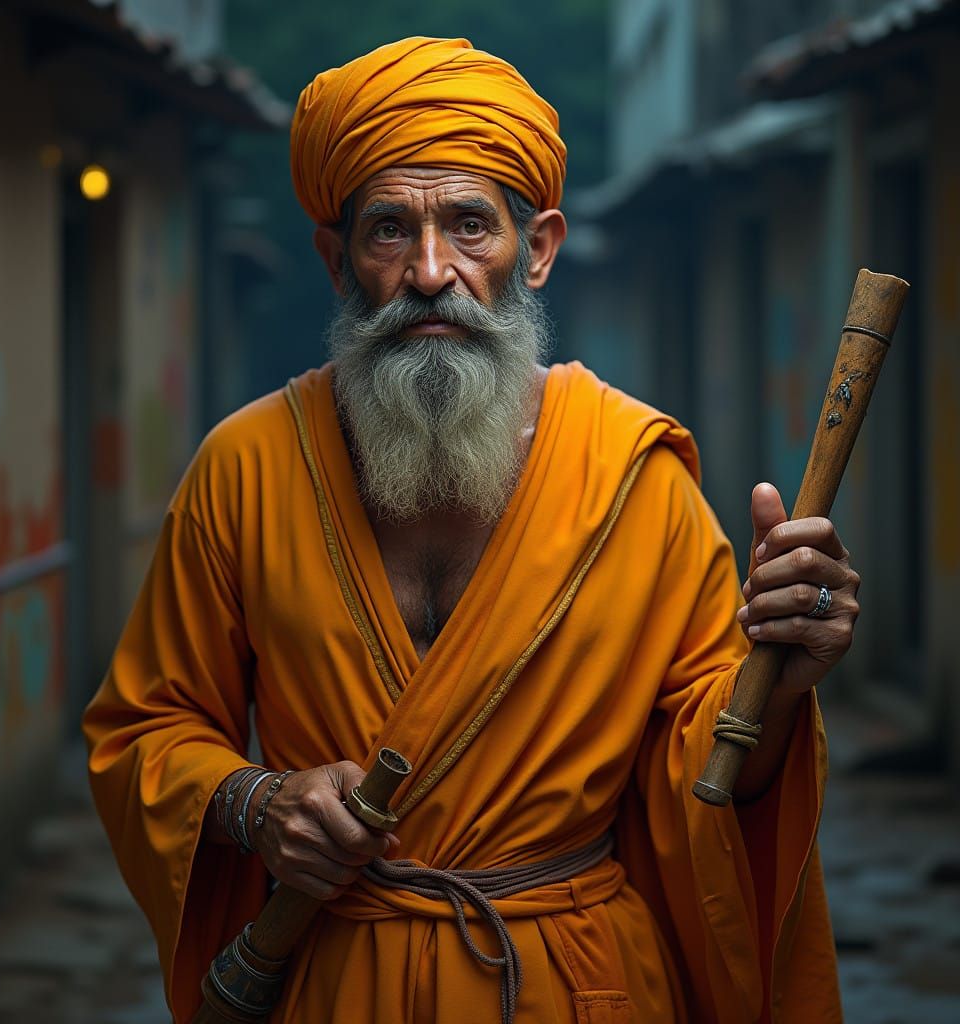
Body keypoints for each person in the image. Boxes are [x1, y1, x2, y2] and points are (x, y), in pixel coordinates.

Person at [83, 37, 854, 1024]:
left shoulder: (637, 476)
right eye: (390, 230)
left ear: (535, 249)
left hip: (579, 988)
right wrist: (254, 804)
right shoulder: (245, 466)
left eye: (470, 227)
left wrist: (781, 681)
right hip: (333, 982)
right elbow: (141, 729)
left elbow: (704, 774)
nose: (431, 271)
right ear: (336, 259)